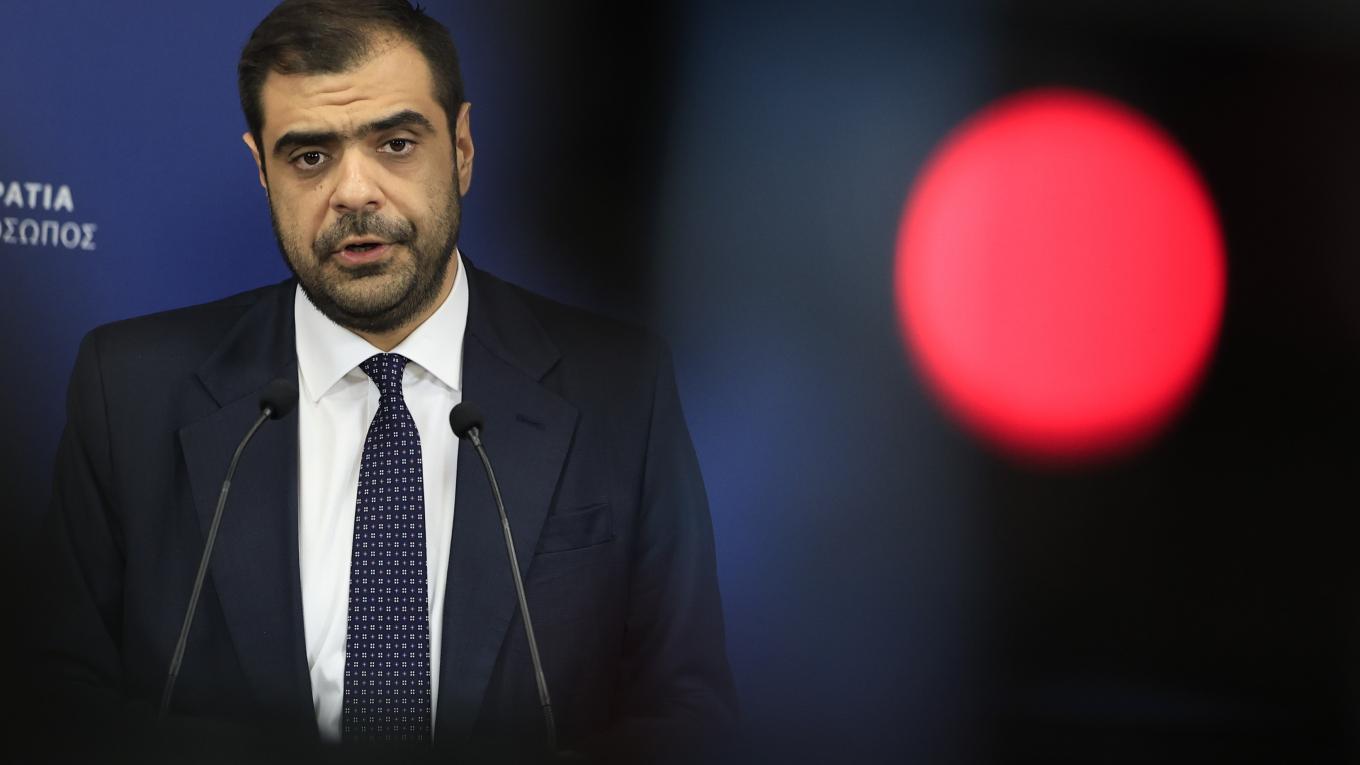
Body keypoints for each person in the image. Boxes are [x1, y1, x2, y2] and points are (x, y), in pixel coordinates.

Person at [41, 1, 736, 761]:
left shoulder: (619, 386)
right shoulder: (129, 389)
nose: (354, 192)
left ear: (462, 149)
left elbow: (686, 710)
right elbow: (58, 700)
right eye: (309, 157)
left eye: (396, 144)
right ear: (262, 170)